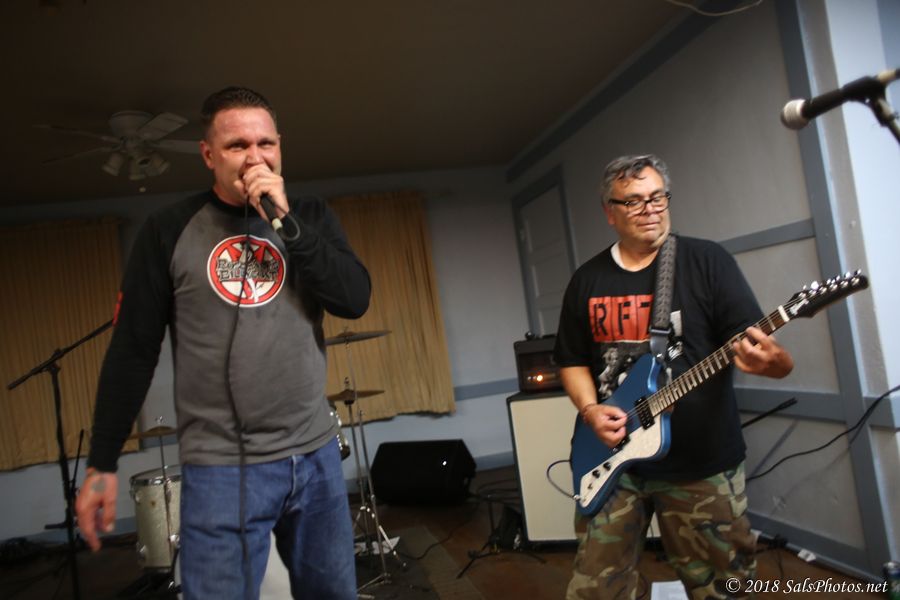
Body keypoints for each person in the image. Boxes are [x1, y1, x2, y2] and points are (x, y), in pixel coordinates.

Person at [75, 86, 371, 600]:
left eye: (265, 143)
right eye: (237, 145)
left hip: (315, 455)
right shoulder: (168, 230)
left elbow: (354, 299)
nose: (255, 157)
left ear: (279, 147)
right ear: (209, 155)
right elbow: (133, 350)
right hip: (221, 469)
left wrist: (289, 224)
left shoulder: (310, 215)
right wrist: (102, 462)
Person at [554, 154, 794, 599]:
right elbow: (571, 360)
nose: (650, 209)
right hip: (613, 462)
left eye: (658, 197)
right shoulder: (587, 280)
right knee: (597, 589)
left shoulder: (707, 261)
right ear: (610, 212)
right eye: (634, 201)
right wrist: (590, 410)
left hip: (700, 465)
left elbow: (767, 354)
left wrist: (776, 362)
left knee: (723, 587)